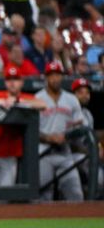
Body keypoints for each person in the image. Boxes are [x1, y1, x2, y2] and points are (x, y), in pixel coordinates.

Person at [0, 65, 46, 189]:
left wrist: (17, 102)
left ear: (21, 82)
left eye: (15, 79)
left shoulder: (25, 97)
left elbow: (42, 104)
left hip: (8, 156)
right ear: (5, 82)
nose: (12, 83)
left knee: (4, 199)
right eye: (9, 80)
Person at [35, 62, 84, 201]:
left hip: (65, 152)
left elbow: (79, 127)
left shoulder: (72, 99)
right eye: (52, 75)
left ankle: (77, 222)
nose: (55, 78)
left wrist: (67, 136)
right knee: (44, 195)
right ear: (46, 77)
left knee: (75, 194)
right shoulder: (37, 99)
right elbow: (32, 130)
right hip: (44, 153)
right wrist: (49, 138)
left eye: (58, 75)